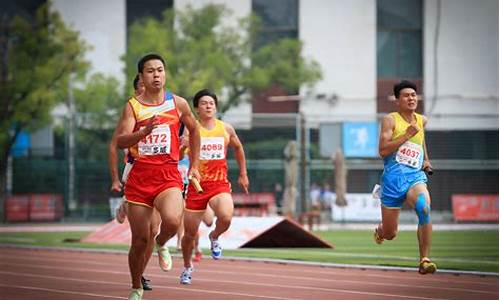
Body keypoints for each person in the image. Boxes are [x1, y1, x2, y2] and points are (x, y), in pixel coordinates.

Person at [115, 53, 201, 300]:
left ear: (165, 73)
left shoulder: (178, 103)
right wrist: (143, 132)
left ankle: (163, 243)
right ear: (141, 76)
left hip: (168, 175)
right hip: (140, 178)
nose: (156, 75)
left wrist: (194, 165)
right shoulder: (133, 106)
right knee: (140, 240)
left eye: (160, 70)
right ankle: (136, 286)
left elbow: (194, 131)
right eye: (150, 71)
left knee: (173, 221)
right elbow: (121, 140)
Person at [179, 89, 249, 285]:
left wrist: (243, 173)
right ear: (196, 109)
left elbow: (238, 148)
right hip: (196, 186)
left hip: (219, 184)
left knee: (226, 217)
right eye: (203, 103)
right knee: (189, 234)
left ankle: (214, 236)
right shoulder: (191, 130)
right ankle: (187, 266)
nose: (208, 105)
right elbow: (177, 157)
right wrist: (183, 146)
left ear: (216, 107)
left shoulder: (226, 129)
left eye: (211, 103)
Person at [374, 80, 437, 275]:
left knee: (424, 207)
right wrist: (406, 136)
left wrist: (426, 159)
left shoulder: (421, 120)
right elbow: (383, 151)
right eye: (406, 96)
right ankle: (381, 231)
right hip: (393, 181)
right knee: (391, 234)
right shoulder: (391, 120)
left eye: (413, 95)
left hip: (415, 178)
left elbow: (421, 139)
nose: (411, 98)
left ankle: (424, 260)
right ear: (397, 100)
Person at [108, 74, 156, 291]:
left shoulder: (164, 107)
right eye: (141, 86)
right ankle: (126, 201)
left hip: (160, 174)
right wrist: (115, 178)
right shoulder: (130, 110)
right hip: (135, 169)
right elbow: (113, 145)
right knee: (142, 234)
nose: (145, 89)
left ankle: (142, 272)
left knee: (154, 231)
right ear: (137, 89)